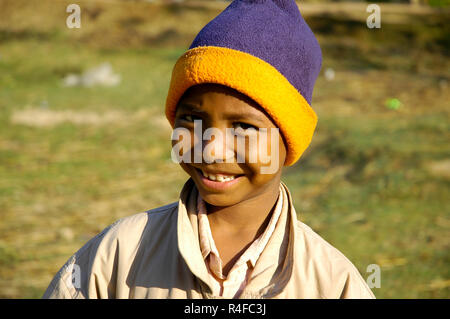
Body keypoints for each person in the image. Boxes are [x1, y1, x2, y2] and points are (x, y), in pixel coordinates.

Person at [43, 0, 375, 299]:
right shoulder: (119, 255)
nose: (212, 149)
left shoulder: (331, 283)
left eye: (243, 127)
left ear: (289, 142)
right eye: (192, 118)